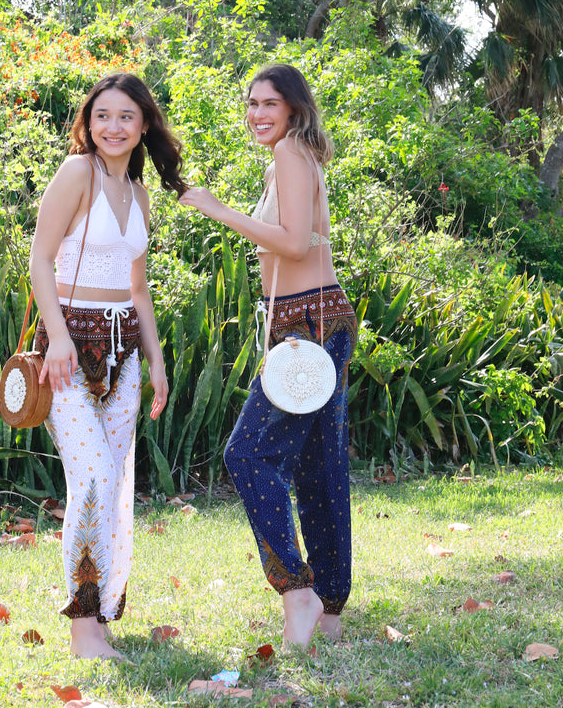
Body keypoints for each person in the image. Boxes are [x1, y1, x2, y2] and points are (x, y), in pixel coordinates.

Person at [179, 63, 357, 649]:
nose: (256, 114)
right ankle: (328, 611)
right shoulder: (295, 154)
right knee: (317, 468)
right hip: (312, 320)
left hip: (311, 321)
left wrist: (216, 209)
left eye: (268, 104)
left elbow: (294, 241)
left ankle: (298, 591)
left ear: (294, 109)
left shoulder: (289, 154)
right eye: (250, 104)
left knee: (247, 453)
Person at [29, 73, 187, 660]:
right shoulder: (77, 174)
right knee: (92, 477)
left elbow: (138, 289)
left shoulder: (141, 196)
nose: (112, 127)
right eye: (101, 116)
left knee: (115, 484)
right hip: (68, 350)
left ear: (144, 124)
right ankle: (83, 630)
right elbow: (40, 258)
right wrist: (60, 339)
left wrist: (157, 361)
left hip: (124, 355)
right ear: (87, 123)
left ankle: (103, 612)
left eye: (125, 117)